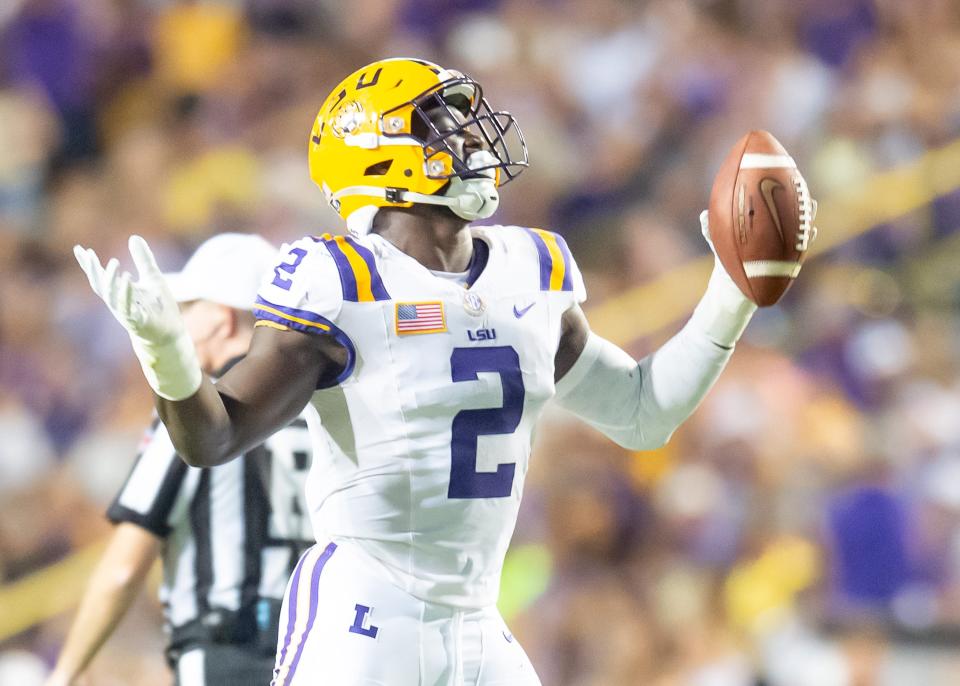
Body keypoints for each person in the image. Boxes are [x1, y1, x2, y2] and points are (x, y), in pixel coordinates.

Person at [73, 58, 796, 685]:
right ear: (377, 151)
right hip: (362, 612)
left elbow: (643, 414)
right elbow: (213, 439)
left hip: (477, 621)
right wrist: (166, 355)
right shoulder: (342, 278)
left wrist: (732, 293)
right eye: (438, 123)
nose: (471, 136)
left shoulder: (530, 268)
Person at [51, 234, 316, 686]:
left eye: (188, 307)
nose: (177, 321)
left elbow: (123, 569)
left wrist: (65, 673)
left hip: (227, 650)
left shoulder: (197, 415)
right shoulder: (319, 409)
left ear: (220, 319)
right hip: (317, 654)